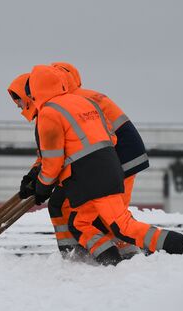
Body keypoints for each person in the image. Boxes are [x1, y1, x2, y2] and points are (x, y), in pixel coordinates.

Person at [7, 65, 183, 265]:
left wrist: (42, 187)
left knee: (119, 225)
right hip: (111, 166)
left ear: (34, 90)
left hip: (90, 176)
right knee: (83, 222)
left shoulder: (49, 113)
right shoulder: (81, 102)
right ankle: (115, 260)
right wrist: (36, 177)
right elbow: (106, 137)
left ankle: (174, 248)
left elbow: (53, 160)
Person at [44, 62, 148, 258]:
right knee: (109, 213)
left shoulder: (70, 101)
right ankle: (116, 251)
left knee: (109, 215)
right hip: (125, 154)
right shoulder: (85, 96)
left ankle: (122, 253)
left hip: (116, 158)